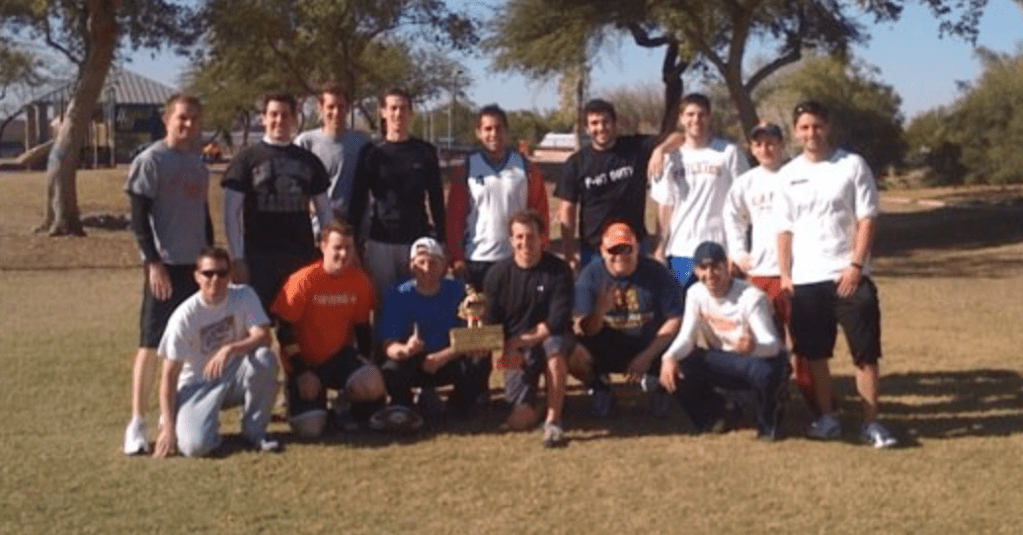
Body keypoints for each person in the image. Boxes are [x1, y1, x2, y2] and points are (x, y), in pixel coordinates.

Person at [775, 100, 897, 448]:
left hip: (848, 277)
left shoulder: (852, 165)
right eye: (804, 127)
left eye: (817, 126)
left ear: (827, 127)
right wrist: (785, 274)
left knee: (866, 355)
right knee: (815, 356)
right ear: (796, 132)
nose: (811, 133)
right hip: (807, 280)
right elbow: (784, 229)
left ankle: (871, 424)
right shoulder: (787, 174)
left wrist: (855, 265)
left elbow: (867, 219)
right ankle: (827, 418)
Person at [122, 93, 212, 455]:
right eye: (181, 118)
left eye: (194, 118)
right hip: (164, 265)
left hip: (195, 268)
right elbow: (138, 219)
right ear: (167, 119)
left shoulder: (198, 164)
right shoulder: (151, 160)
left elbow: (202, 215)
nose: (188, 124)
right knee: (151, 344)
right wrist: (153, 262)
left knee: (190, 344)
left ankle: (171, 414)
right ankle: (137, 422)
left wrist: (209, 262)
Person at [723, 122, 816, 410]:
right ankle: (775, 397)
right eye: (759, 144)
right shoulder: (746, 183)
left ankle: (816, 400)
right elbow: (732, 218)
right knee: (767, 341)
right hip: (760, 274)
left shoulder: (799, 176)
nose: (766, 149)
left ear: (782, 144)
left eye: (771, 142)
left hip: (798, 272)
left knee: (805, 342)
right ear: (752, 149)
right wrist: (739, 253)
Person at [152, 247, 279, 458]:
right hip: (197, 386)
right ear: (197, 276)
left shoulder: (244, 295)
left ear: (230, 275)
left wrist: (230, 349)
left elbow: (264, 337)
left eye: (222, 273)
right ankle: (195, 420)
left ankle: (255, 431)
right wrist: (167, 428)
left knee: (264, 358)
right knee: (195, 447)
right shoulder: (184, 317)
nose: (215, 280)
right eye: (208, 273)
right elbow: (169, 376)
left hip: (234, 376)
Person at [659, 241, 789, 441]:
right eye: (703, 268)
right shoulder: (695, 293)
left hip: (757, 360)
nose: (709, 274)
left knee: (764, 372)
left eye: (715, 267)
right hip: (724, 358)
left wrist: (753, 347)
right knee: (681, 365)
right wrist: (669, 357)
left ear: (727, 267)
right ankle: (712, 417)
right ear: (695, 270)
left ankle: (768, 418)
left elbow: (773, 346)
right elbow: (686, 337)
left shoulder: (751, 297)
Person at [270, 221, 387, 438]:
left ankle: (345, 406)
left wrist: (366, 364)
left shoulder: (359, 281)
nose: (343, 254)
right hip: (305, 362)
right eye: (337, 247)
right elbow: (283, 331)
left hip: (338, 357)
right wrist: (301, 371)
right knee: (310, 429)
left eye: (348, 248)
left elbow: (362, 327)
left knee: (372, 383)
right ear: (323, 246)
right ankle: (297, 398)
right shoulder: (303, 280)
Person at [221, 91, 332, 307]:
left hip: (300, 256)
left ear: (294, 119)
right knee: (259, 320)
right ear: (263, 118)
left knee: (297, 320)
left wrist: (327, 250)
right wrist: (237, 258)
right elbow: (230, 215)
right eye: (273, 114)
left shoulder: (309, 161)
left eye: (285, 115)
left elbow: (324, 211)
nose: (279, 120)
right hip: (259, 258)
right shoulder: (245, 160)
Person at [568, 221, 683, 417]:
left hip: (649, 345)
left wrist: (646, 356)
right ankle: (599, 387)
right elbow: (582, 328)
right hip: (607, 346)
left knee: (686, 350)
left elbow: (675, 318)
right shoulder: (590, 276)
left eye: (626, 249)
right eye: (613, 250)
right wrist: (599, 312)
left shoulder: (657, 273)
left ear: (637, 248)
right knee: (570, 350)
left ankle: (660, 387)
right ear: (602, 251)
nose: (620, 256)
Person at [483, 210, 573, 448]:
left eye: (531, 236)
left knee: (555, 350)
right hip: (516, 350)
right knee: (519, 421)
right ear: (511, 240)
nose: (525, 243)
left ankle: (553, 421)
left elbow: (557, 321)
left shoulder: (559, 270)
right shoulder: (497, 275)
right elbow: (492, 325)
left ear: (542, 237)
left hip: (549, 338)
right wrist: (507, 349)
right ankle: (541, 404)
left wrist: (518, 342)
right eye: (519, 237)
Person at [555, 97, 678, 271]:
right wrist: (569, 253)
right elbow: (567, 210)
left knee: (638, 289)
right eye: (594, 123)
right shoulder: (576, 163)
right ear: (587, 128)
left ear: (614, 123)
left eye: (605, 121)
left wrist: (660, 150)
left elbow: (678, 137)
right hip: (595, 250)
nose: (600, 128)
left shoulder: (635, 147)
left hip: (634, 245)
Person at [348, 87, 446, 301]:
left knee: (418, 301)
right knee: (383, 302)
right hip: (380, 241)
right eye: (392, 108)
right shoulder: (371, 152)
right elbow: (358, 200)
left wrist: (442, 239)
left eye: (403, 108)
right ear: (383, 112)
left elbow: (436, 199)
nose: (398, 114)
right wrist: (353, 241)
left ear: (411, 113)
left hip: (416, 239)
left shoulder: (425, 151)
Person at [377, 237, 490, 418]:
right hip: (414, 359)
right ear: (411, 266)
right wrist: (406, 350)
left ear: (443, 265)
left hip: (448, 357)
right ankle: (404, 406)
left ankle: (457, 408)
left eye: (433, 262)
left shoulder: (457, 291)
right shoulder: (398, 294)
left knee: (480, 359)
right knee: (391, 369)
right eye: (421, 262)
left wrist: (443, 356)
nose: (427, 268)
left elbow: (473, 336)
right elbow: (388, 345)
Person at [650, 93, 749, 289]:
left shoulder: (729, 153)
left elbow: (743, 204)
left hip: (719, 249)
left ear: (709, 117)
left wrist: (737, 250)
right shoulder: (669, 157)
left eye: (702, 114)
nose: (696, 120)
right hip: (680, 251)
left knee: (721, 305)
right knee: (682, 306)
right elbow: (665, 205)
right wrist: (659, 248)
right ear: (681, 118)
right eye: (690, 114)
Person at [446, 104, 549, 290]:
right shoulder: (467, 168)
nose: (494, 134)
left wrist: (540, 247)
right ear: (478, 133)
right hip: (476, 258)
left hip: (516, 257)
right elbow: (455, 218)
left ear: (507, 132)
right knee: (477, 308)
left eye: (498, 128)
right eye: (488, 129)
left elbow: (540, 213)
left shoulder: (526, 168)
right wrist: (456, 257)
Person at [294, 83, 371, 225]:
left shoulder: (361, 143)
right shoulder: (305, 143)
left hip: (351, 225)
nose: (336, 112)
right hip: (315, 226)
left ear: (348, 108)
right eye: (330, 107)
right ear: (320, 108)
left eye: (341, 107)